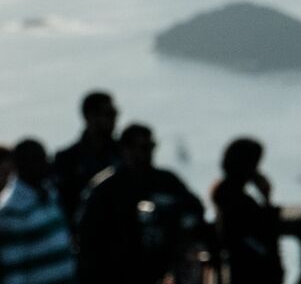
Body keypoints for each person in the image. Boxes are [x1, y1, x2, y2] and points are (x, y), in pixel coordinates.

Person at [72, 125, 206, 284]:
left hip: (163, 272)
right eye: (143, 147)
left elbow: (195, 211)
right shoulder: (105, 189)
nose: (148, 153)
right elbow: (87, 238)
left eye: (151, 146)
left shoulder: (167, 181)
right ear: (125, 149)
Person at [1, 140, 79, 284]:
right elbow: (13, 268)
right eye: (37, 160)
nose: (45, 165)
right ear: (21, 165)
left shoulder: (50, 193)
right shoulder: (12, 211)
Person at [209, 139, 282, 284]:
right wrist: (267, 200)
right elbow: (262, 231)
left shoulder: (227, 194)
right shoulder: (237, 199)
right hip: (250, 270)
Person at [50, 93, 119, 231]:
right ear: (89, 116)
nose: (114, 119)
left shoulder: (124, 155)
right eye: (108, 114)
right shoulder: (66, 159)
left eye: (114, 114)